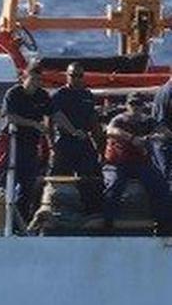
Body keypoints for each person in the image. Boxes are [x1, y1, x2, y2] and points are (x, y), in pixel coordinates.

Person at [103, 92, 172, 231]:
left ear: (143, 106)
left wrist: (156, 137)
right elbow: (111, 131)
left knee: (160, 186)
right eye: (132, 104)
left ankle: (163, 222)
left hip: (140, 163)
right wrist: (132, 138)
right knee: (114, 186)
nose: (136, 107)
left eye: (139, 104)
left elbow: (166, 133)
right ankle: (107, 222)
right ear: (127, 105)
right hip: (118, 164)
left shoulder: (148, 121)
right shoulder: (119, 119)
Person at [1, 60, 54, 222]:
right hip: (12, 143)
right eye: (33, 79)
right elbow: (9, 117)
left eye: (39, 80)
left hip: (30, 145)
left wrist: (56, 138)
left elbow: (53, 114)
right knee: (6, 183)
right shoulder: (13, 94)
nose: (36, 84)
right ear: (25, 77)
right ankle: (4, 221)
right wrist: (34, 124)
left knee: (28, 185)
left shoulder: (42, 95)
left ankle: (21, 222)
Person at [49, 63, 103, 215]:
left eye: (80, 76)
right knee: (58, 178)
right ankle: (53, 210)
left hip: (83, 141)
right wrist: (52, 146)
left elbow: (93, 121)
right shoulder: (59, 95)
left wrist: (100, 146)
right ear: (67, 76)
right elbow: (50, 121)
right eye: (73, 75)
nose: (77, 79)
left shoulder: (87, 95)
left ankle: (91, 212)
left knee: (90, 176)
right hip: (64, 140)